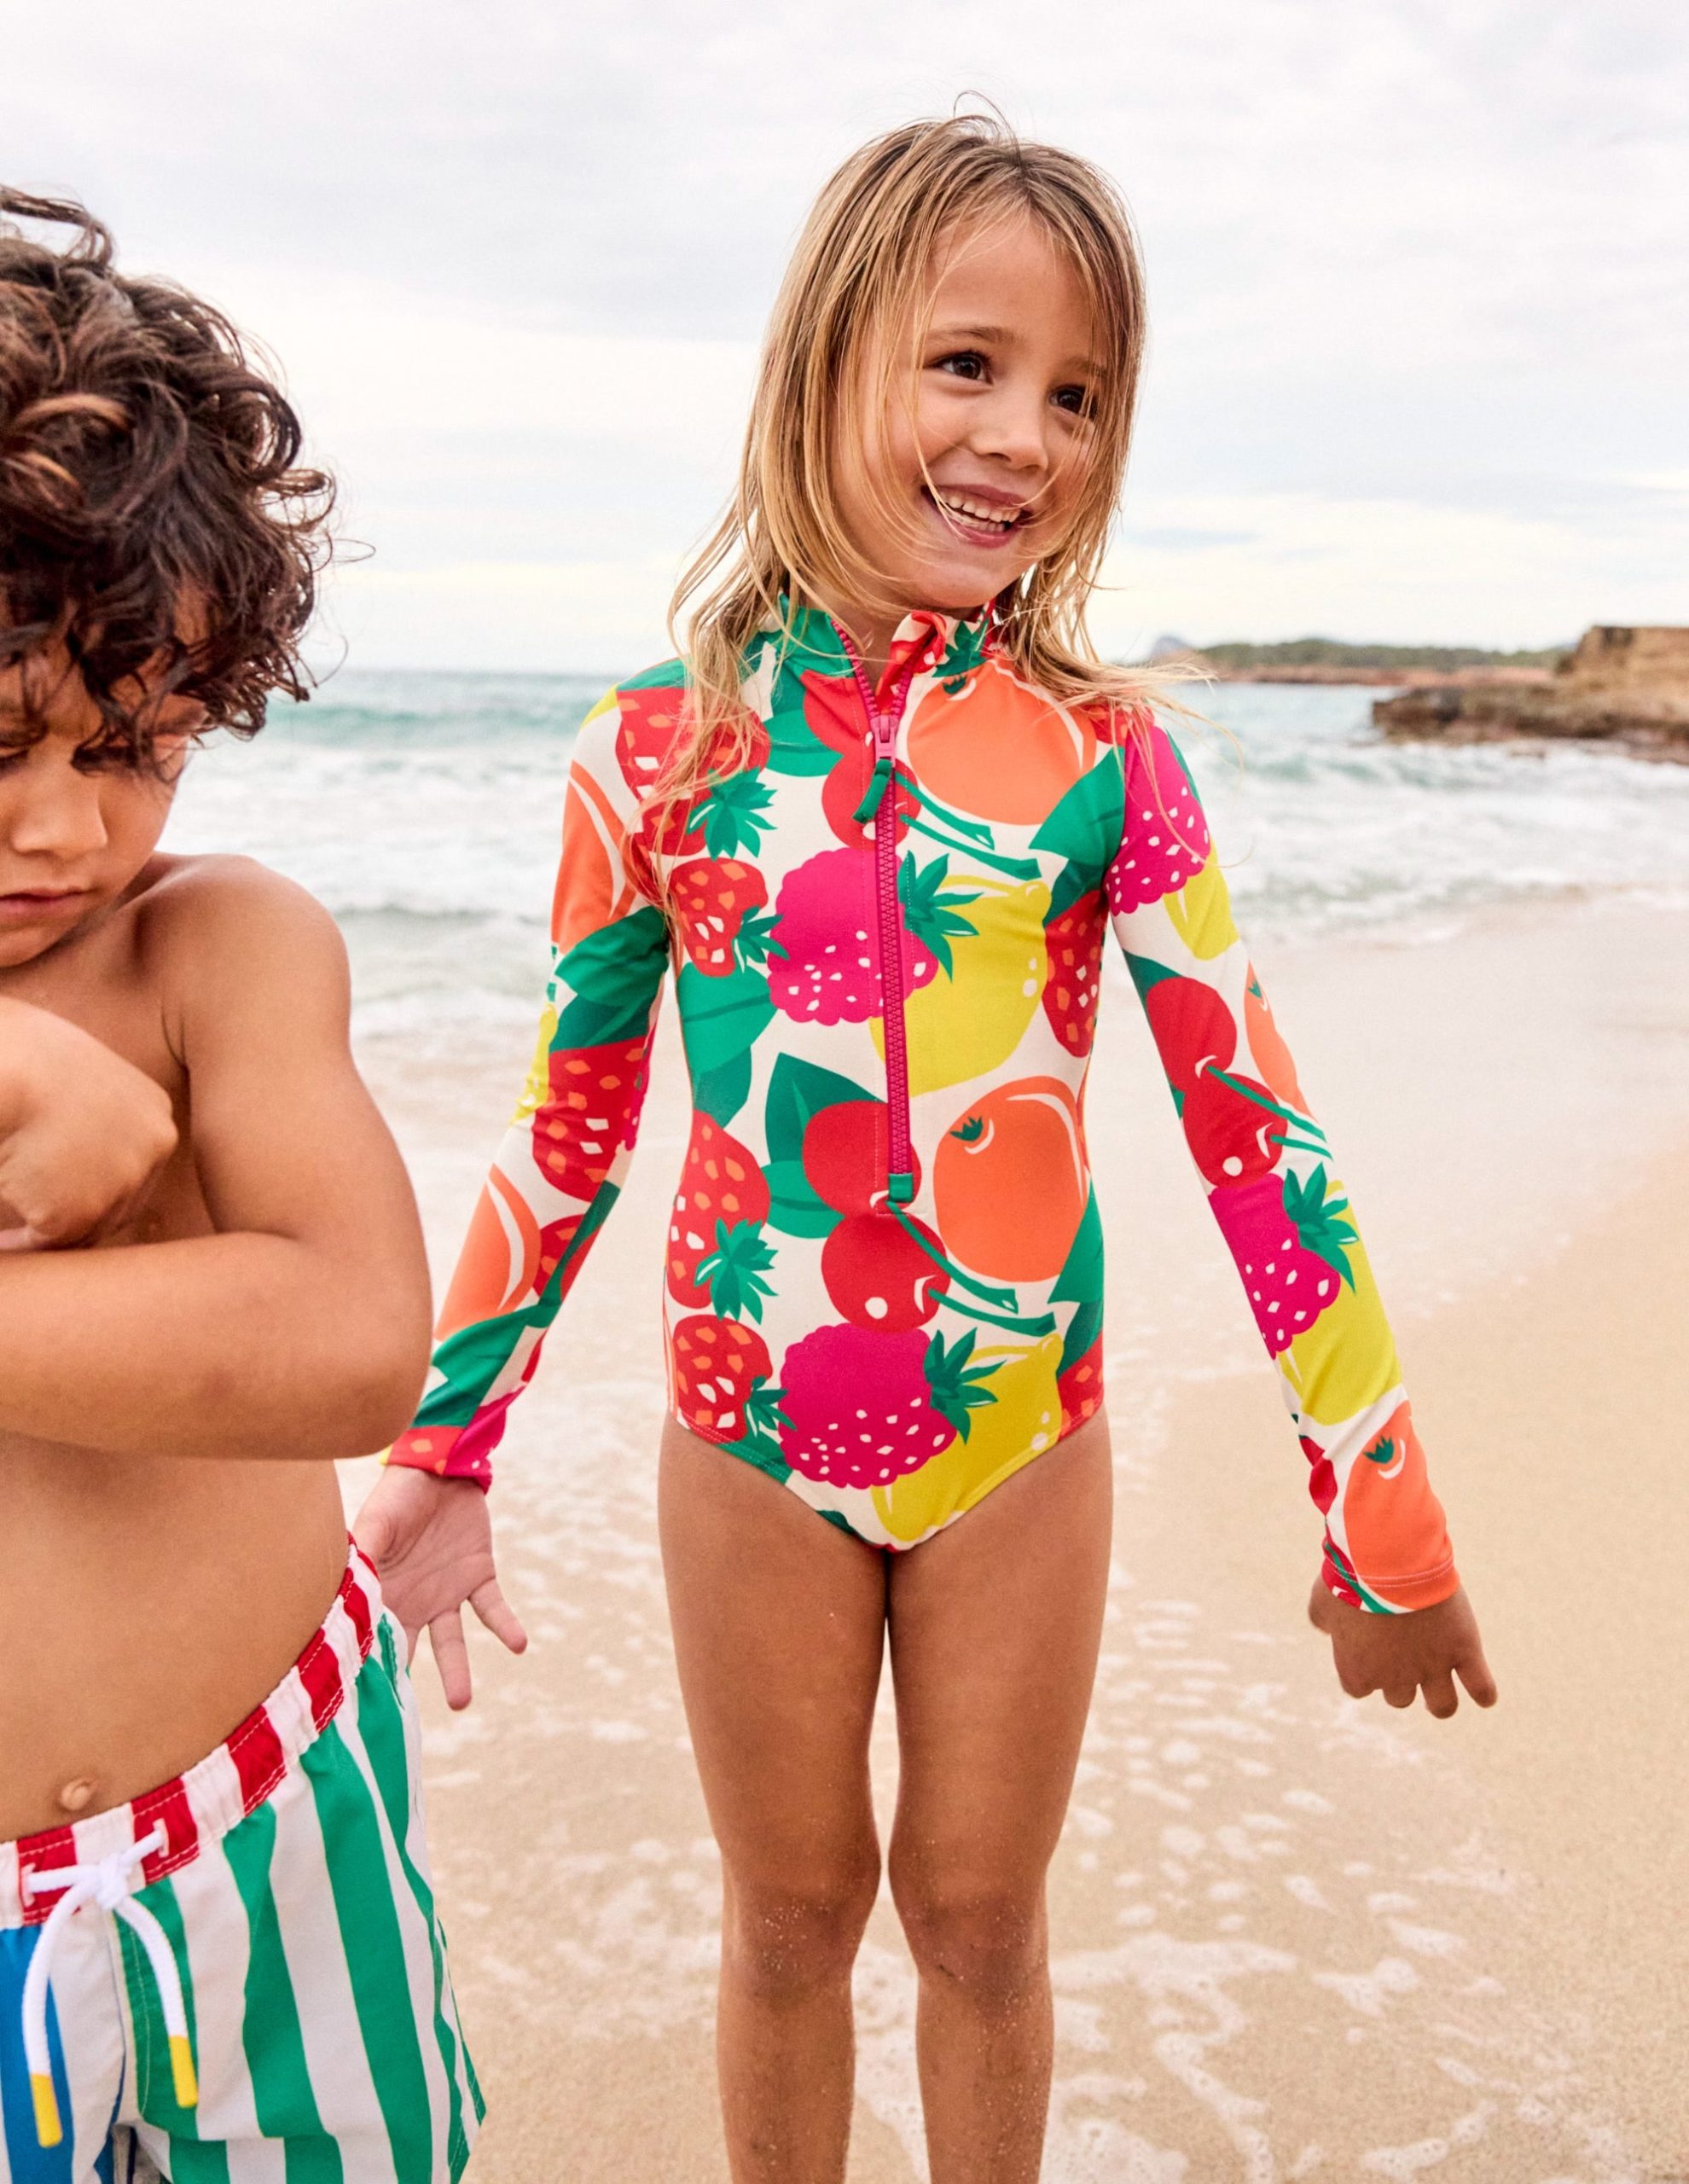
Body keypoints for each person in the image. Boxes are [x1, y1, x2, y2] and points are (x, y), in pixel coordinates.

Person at [361, 113, 1496, 2184]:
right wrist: (450, 1446)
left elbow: (1258, 1128)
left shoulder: (1107, 755)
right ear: (827, 365)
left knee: (978, 1920)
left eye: (1076, 394)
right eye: (966, 364)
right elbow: (570, 1115)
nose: (1024, 438)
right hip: (745, 1430)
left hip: (1016, 1437)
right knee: (790, 1921)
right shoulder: (658, 744)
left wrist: (1379, 1486)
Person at [0, 191, 482, 2181]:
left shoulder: (217, 951)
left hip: (264, 1832)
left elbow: (356, 1336)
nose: (61, 824)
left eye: (135, 749)